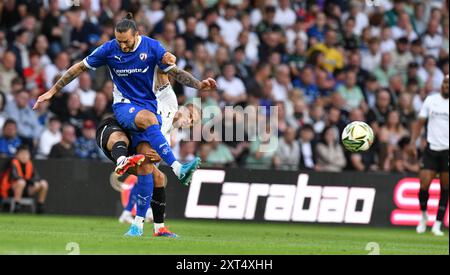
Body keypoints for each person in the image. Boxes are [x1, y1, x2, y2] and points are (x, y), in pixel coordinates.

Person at [33, 13, 216, 236]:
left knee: (147, 166)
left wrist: (199, 85)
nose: (122, 45)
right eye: (119, 41)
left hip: (148, 110)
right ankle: (178, 169)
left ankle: (141, 226)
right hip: (125, 107)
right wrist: (52, 91)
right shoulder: (109, 50)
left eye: (126, 41)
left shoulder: (152, 48)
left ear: (137, 35)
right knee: (149, 120)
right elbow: (77, 68)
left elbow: (175, 72)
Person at [96, 70, 200, 237]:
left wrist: (160, 154)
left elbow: (156, 151)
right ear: (183, 108)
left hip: (136, 143)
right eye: (190, 114)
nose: (189, 120)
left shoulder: (168, 133)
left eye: (193, 121)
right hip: (120, 125)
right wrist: (164, 58)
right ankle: (136, 224)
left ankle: (158, 228)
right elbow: (162, 74)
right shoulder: (170, 102)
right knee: (124, 142)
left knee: (157, 177)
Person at [410, 75, 449, 236]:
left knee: (445, 188)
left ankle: (437, 224)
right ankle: (424, 216)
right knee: (423, 185)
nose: (447, 86)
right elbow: (419, 123)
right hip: (431, 148)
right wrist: (413, 142)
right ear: (441, 84)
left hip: (448, 150)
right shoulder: (430, 100)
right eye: (445, 83)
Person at [0, 145, 49, 213]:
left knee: (43, 183)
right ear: (17, 155)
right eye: (22, 153)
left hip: (26, 189)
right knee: (21, 182)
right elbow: (15, 177)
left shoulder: (30, 164)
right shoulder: (13, 163)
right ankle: (17, 205)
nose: (24, 156)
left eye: (26, 154)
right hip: (11, 190)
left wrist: (34, 182)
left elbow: (36, 177)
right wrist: (30, 181)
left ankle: (40, 206)